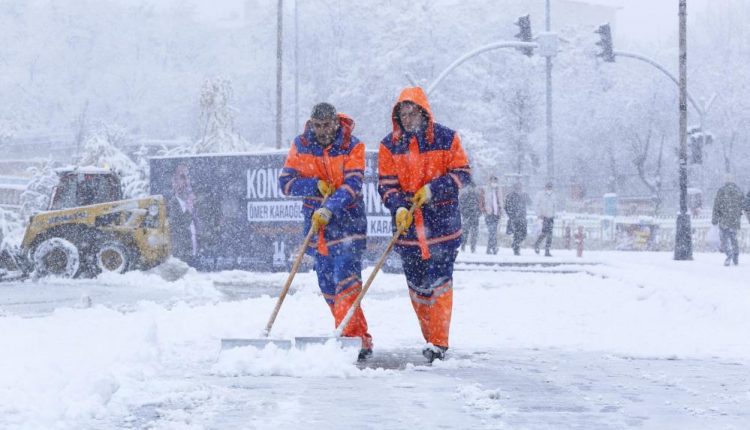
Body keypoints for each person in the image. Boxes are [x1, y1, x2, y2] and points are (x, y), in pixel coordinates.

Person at [377, 87, 471, 363]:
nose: (407, 119)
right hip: (408, 230)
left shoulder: (447, 138)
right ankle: (429, 336)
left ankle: (439, 342)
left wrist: (434, 190)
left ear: (423, 112)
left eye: (411, 112)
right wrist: (398, 207)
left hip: (442, 227)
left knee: (440, 283)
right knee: (417, 287)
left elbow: (462, 174)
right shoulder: (389, 145)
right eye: (402, 115)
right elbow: (386, 184)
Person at [278, 102, 373, 360]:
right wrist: (314, 185)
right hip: (316, 225)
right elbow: (285, 184)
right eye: (317, 126)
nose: (322, 131)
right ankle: (358, 338)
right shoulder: (301, 145)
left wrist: (330, 207)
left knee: (346, 280)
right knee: (328, 284)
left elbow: (353, 184)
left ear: (336, 123)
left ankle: (350, 337)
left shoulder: (353, 146)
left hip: (348, 222)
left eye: (327, 125)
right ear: (312, 123)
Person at [168, 163, 199, 265]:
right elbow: (177, 227)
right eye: (181, 177)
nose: (186, 182)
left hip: (195, 253)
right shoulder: (172, 203)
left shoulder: (196, 199)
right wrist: (189, 210)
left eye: (187, 176)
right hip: (183, 254)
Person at [711, 175, 744, 266]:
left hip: (724, 220)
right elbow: (744, 204)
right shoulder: (738, 190)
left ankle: (729, 254)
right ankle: (735, 255)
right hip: (734, 220)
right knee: (733, 238)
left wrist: (715, 219)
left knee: (724, 239)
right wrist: (738, 212)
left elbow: (716, 205)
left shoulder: (721, 191)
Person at [504, 182, 529, 256]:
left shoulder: (524, 195)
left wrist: (526, 196)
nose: (519, 189)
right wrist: (511, 215)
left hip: (523, 217)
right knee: (517, 234)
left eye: (520, 187)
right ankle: (516, 249)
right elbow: (506, 207)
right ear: (514, 188)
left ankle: (515, 244)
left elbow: (530, 202)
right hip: (514, 218)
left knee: (524, 234)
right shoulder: (510, 196)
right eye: (518, 187)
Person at [480, 175, 503, 254]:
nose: (494, 183)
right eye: (493, 181)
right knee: (492, 231)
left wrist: (501, 210)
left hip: (496, 214)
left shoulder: (498, 190)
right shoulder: (485, 190)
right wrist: (484, 210)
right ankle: (493, 248)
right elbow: (481, 202)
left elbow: (501, 201)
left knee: (493, 232)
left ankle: (490, 249)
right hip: (489, 214)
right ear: (490, 182)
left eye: (495, 181)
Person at [533, 182, 557, 257]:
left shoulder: (553, 195)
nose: (549, 189)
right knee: (544, 233)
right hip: (543, 216)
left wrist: (554, 214)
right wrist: (539, 214)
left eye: (550, 187)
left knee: (549, 234)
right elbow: (536, 205)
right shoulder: (540, 195)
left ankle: (546, 250)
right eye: (548, 187)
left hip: (550, 217)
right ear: (545, 187)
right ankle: (537, 245)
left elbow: (555, 205)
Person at [459, 182, 481, 253]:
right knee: (465, 233)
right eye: (470, 187)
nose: (471, 189)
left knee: (474, 234)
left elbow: (480, 206)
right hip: (467, 217)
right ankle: (463, 246)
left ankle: (473, 247)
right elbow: (461, 206)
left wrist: (478, 213)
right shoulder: (464, 195)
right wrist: (465, 213)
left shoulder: (477, 196)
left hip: (475, 217)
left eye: (473, 187)